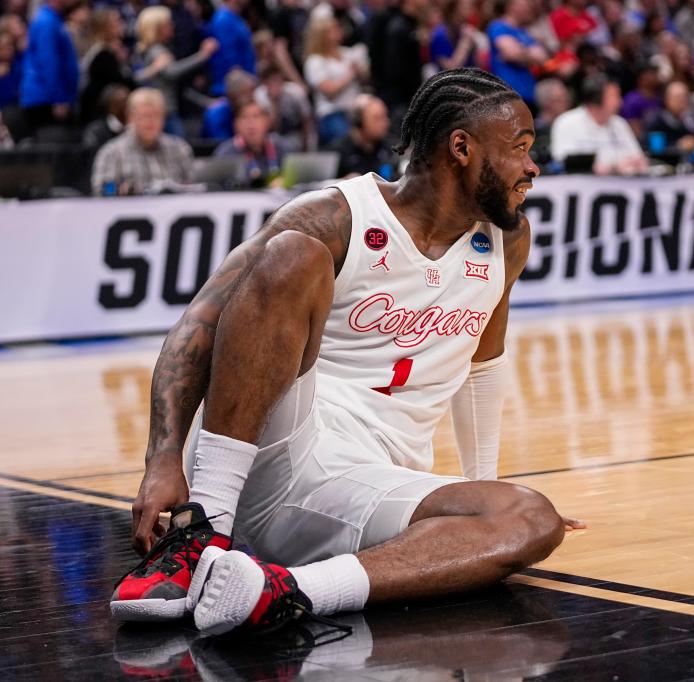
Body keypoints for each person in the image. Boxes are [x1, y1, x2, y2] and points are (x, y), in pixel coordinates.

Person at [111, 68, 581, 635]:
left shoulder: (506, 238)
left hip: (365, 487)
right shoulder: (337, 215)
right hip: (276, 447)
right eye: (521, 149)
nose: (533, 168)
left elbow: (483, 363)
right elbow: (198, 328)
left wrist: (486, 490)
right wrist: (162, 460)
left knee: (530, 516)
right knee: (290, 256)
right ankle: (200, 532)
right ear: (462, 148)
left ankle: (283, 591)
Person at [134, 5, 219, 138]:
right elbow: (172, 72)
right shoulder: (157, 51)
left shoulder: (156, 49)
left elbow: (180, 87)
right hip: (164, 112)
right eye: (168, 23)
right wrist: (202, 56)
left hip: (168, 109)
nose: (172, 26)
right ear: (157, 28)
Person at [91, 88, 194, 195]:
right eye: (144, 116)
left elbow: (194, 190)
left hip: (173, 209)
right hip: (129, 210)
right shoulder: (111, 153)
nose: (150, 122)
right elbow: (101, 191)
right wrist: (124, 190)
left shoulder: (180, 149)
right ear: (130, 117)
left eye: (155, 115)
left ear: (164, 118)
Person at [550, 73, 647, 175]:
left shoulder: (620, 123)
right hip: (583, 186)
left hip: (623, 186)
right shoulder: (566, 122)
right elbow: (562, 162)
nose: (620, 102)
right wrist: (612, 168)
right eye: (615, 96)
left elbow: (639, 159)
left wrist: (635, 164)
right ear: (596, 98)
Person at [304, 14, 366, 146]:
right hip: (332, 113)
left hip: (355, 109)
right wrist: (351, 73)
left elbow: (365, 76)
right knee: (348, 139)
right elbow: (330, 90)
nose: (339, 30)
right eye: (333, 29)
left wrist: (361, 71)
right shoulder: (315, 61)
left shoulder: (347, 53)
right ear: (322, 35)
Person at [19, 0, 79, 132]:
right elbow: (48, 62)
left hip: (49, 97)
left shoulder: (55, 20)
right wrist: (58, 99)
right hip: (44, 100)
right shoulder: (47, 22)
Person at [214, 100, 293, 187]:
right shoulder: (226, 154)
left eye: (256, 117)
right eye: (244, 117)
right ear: (236, 125)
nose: (250, 124)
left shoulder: (283, 148)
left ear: (267, 121)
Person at [368, 0, 424, 122]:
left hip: (410, 95)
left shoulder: (410, 24)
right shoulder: (397, 27)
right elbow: (393, 68)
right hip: (398, 98)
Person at [487, 0, 547, 107]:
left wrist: (520, 52)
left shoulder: (524, 32)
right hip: (506, 94)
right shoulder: (498, 26)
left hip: (528, 93)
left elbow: (542, 57)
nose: (528, 9)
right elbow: (512, 53)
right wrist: (528, 54)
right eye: (524, 5)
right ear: (511, 7)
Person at [79, 8, 134, 123]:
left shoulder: (110, 51)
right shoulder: (102, 54)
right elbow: (119, 81)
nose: (121, 24)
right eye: (116, 21)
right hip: (101, 114)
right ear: (105, 27)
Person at [328, 93, 395, 178]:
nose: (386, 123)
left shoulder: (391, 149)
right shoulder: (337, 153)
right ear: (359, 122)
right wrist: (342, 182)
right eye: (378, 118)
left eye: (385, 117)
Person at [256, 62, 315, 151]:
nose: (274, 84)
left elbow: (306, 120)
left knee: (293, 143)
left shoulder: (296, 92)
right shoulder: (259, 96)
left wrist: (308, 146)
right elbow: (267, 127)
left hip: (294, 132)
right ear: (264, 83)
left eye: (277, 80)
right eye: (270, 81)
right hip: (272, 134)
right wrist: (274, 102)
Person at [207, 0, 256, 96]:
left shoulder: (236, 16)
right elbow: (229, 57)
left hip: (247, 81)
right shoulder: (223, 20)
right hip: (234, 89)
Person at [203, 68, 257, 140]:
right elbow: (223, 145)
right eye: (247, 94)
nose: (252, 98)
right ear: (232, 95)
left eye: (252, 94)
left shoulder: (252, 110)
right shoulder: (216, 115)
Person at [646, 80, 694, 152]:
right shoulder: (655, 120)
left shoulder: (690, 120)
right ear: (667, 99)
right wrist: (677, 146)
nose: (682, 100)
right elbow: (648, 148)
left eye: (685, 96)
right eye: (677, 97)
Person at [430, 0, 483, 71]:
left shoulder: (465, 29)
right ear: (455, 6)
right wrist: (465, 42)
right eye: (469, 4)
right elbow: (450, 70)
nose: (472, 7)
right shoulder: (440, 34)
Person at [83, 83, 129, 148]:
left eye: (129, 101)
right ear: (110, 106)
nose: (127, 106)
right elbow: (93, 155)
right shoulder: (96, 131)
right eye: (122, 102)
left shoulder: (135, 128)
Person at [621, 64, 661, 137]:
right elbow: (633, 130)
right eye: (652, 74)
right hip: (640, 142)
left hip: (657, 140)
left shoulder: (658, 98)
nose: (656, 77)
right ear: (642, 77)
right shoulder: (632, 100)